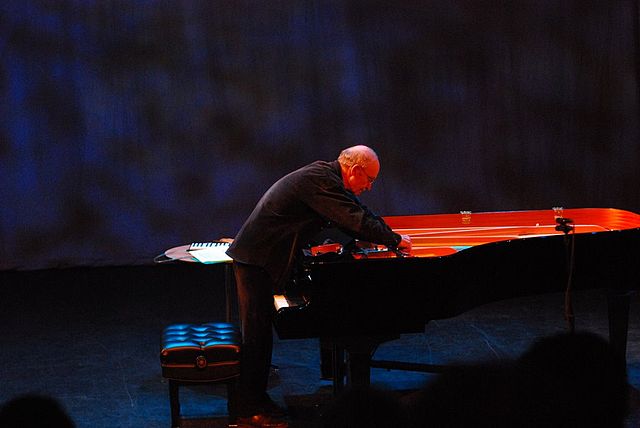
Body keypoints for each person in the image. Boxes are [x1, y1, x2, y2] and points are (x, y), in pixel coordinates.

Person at [226, 145, 411, 423]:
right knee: (257, 337)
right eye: (370, 179)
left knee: (260, 336)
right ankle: (249, 409)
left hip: (261, 257)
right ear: (355, 170)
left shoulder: (327, 178)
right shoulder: (321, 180)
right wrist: (394, 240)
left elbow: (356, 211)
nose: (370, 186)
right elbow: (352, 219)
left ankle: (256, 401)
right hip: (256, 259)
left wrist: (384, 231)